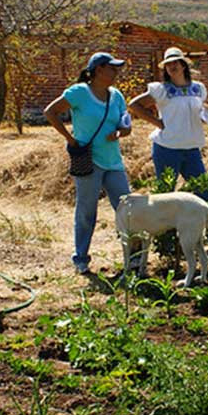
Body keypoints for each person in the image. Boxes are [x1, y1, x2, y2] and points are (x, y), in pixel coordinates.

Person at [128, 46, 208, 257]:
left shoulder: (198, 89)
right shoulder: (161, 90)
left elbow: (201, 111)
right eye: (168, 64)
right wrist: (158, 123)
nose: (172, 66)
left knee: (205, 194)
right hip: (167, 149)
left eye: (176, 62)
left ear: (184, 65)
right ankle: (166, 247)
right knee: (165, 199)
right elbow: (134, 105)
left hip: (191, 148)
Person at [44, 52, 132, 274]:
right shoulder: (80, 92)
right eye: (112, 68)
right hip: (88, 159)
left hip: (113, 161)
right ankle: (81, 258)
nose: (116, 73)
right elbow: (51, 112)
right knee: (86, 210)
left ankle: (134, 257)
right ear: (99, 70)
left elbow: (126, 124)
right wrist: (71, 139)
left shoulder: (117, 96)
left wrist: (121, 132)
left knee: (127, 207)